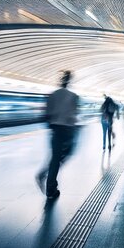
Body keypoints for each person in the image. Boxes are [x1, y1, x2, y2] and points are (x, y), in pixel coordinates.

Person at [36, 71, 79, 200]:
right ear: (69, 82)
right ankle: (50, 186)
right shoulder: (74, 96)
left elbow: (47, 114)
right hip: (68, 130)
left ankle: (47, 180)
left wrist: (53, 123)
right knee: (68, 153)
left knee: (55, 158)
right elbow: (74, 114)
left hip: (55, 130)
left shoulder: (53, 95)